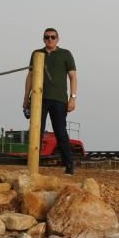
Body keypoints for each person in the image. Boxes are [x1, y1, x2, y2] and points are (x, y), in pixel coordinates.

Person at [24, 27, 77, 175]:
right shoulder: (37, 54)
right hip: (38, 98)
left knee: (60, 132)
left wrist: (72, 98)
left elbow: (73, 77)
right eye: (47, 37)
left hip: (59, 99)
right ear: (43, 39)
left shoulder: (66, 54)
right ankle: (33, 166)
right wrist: (25, 98)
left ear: (58, 39)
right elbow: (30, 77)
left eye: (53, 37)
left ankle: (69, 165)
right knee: (36, 131)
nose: (50, 40)